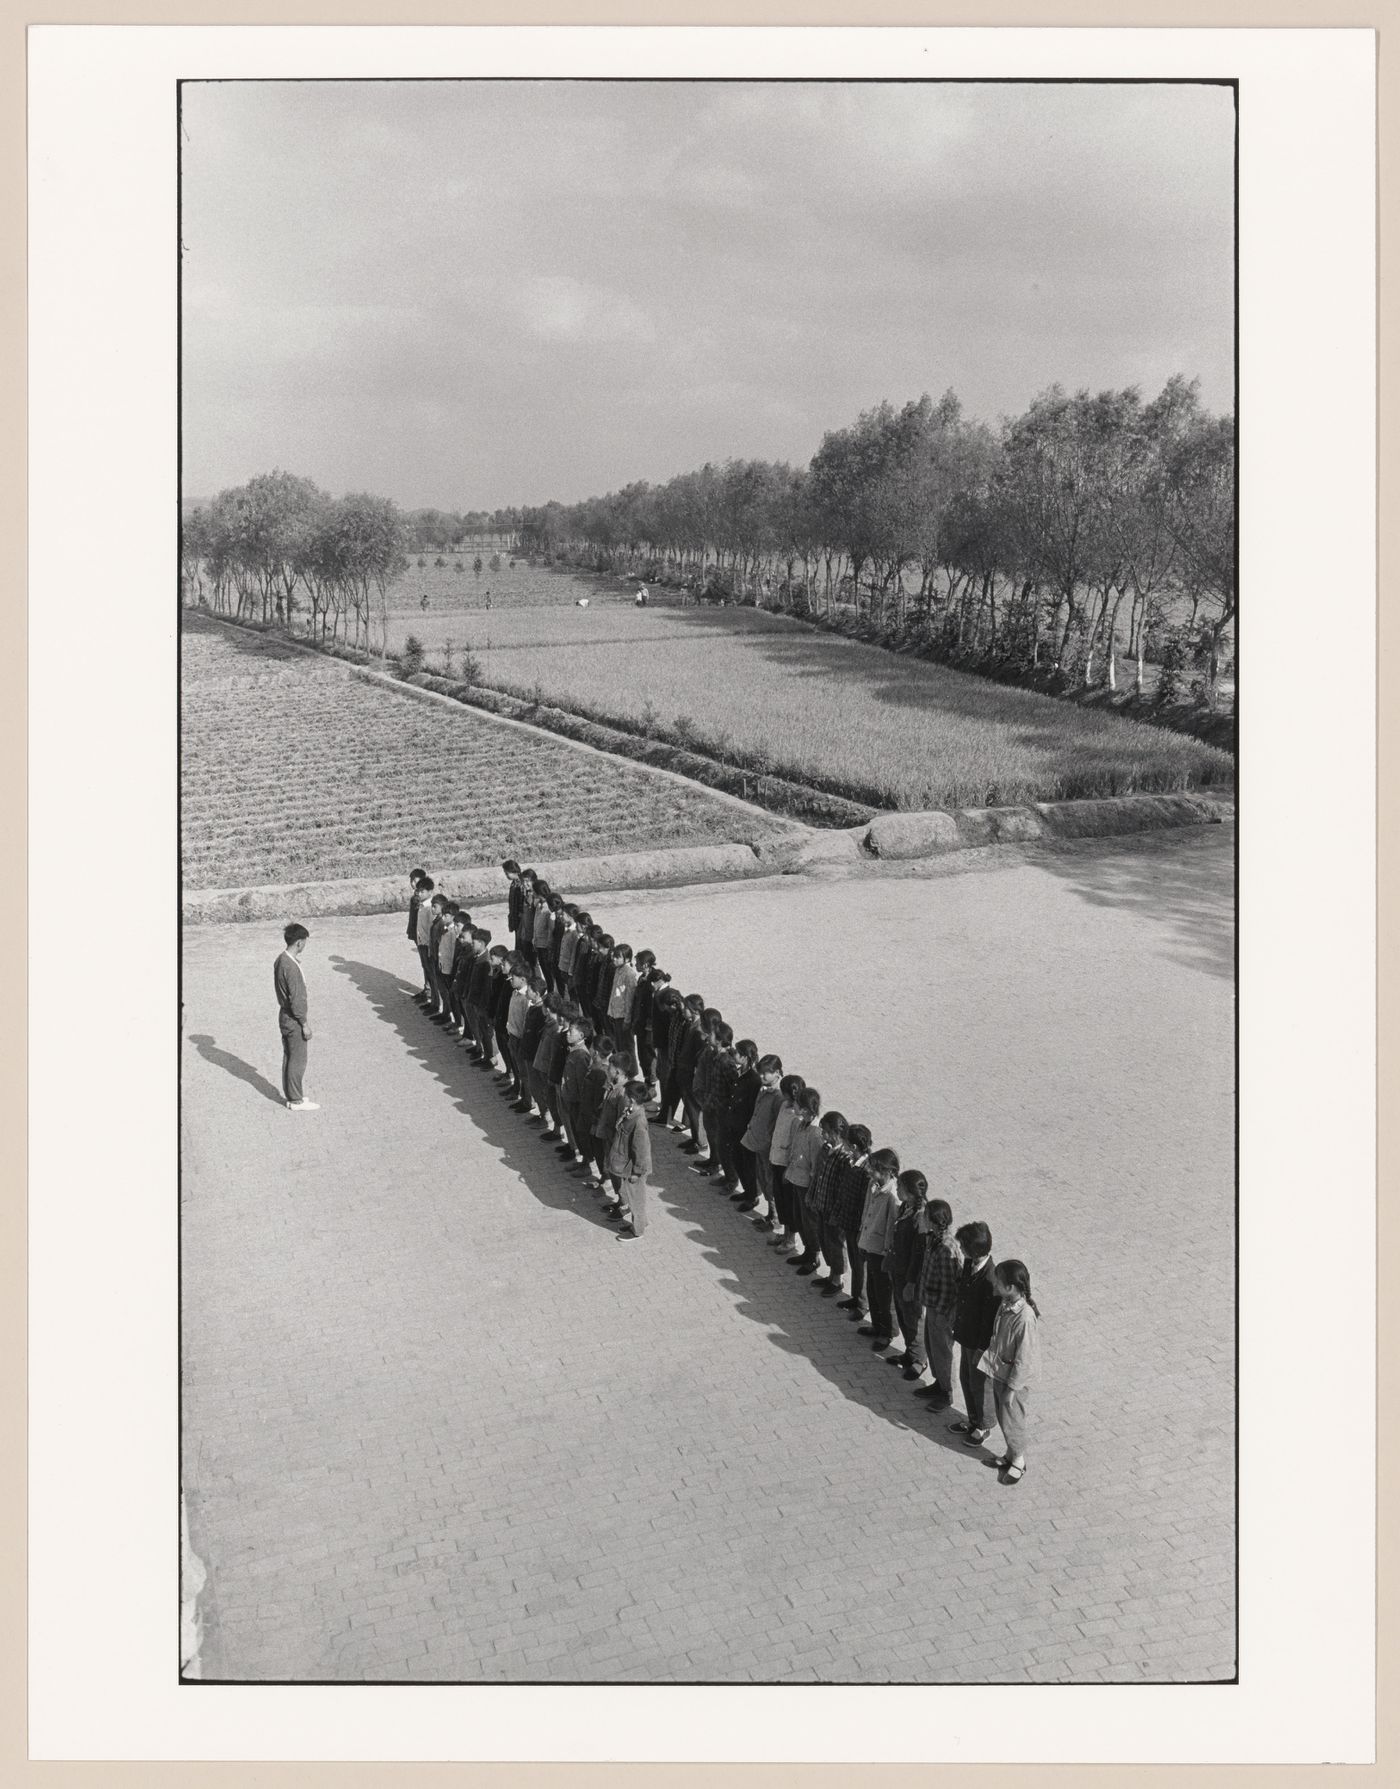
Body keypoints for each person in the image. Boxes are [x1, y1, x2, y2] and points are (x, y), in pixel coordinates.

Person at [978, 1260, 1041, 1484]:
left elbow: (1024, 1359)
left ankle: (1019, 1461)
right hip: (1000, 1371)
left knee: (1013, 1419)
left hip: (1014, 1379)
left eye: (999, 1283)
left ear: (1011, 1287)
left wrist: (1012, 1389)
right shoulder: (1006, 1304)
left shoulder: (1024, 1318)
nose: (994, 1287)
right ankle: (1010, 1453)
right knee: (1004, 1417)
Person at [948, 1222, 999, 1447]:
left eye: (963, 1247)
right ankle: (972, 1419)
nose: (960, 1250)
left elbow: (988, 1320)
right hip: (966, 1334)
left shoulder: (991, 1280)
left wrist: (981, 1346)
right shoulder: (970, 1263)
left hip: (980, 1343)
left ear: (975, 1250)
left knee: (980, 1384)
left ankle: (984, 1424)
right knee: (966, 1378)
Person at [912, 1198, 962, 1411]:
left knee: (943, 1351)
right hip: (931, 1303)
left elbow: (950, 1286)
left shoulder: (946, 1248)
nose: (922, 1219)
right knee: (932, 1347)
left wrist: (942, 1313)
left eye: (925, 1216)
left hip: (941, 1309)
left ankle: (947, 1392)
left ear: (933, 1221)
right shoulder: (932, 1239)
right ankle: (938, 1383)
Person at [856, 1147, 902, 1354]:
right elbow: (866, 1211)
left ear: (887, 1172)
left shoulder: (893, 1197)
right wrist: (861, 1236)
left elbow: (891, 1228)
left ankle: (887, 1331)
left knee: (884, 1294)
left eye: (874, 1169)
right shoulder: (873, 1186)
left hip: (881, 1252)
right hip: (869, 1244)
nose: (870, 1172)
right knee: (872, 1289)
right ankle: (876, 1324)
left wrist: (886, 1255)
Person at [886, 1169, 929, 1379]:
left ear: (910, 1192)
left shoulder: (920, 1218)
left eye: (900, 1187)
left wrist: (911, 1283)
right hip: (898, 1271)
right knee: (903, 1314)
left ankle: (920, 1359)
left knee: (913, 1317)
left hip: (909, 1277)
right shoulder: (906, 1207)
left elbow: (918, 1255)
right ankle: (909, 1352)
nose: (897, 1190)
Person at [274, 922, 317, 1111]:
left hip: (284, 1015)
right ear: (299, 943)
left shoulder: (280, 960)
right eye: (304, 942)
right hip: (293, 1018)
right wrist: (304, 1024)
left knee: (289, 1056)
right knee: (298, 1059)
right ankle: (296, 1099)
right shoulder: (291, 967)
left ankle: (292, 1095)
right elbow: (297, 1000)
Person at [606, 1080, 654, 1237]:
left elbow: (641, 1150)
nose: (623, 1098)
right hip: (628, 1164)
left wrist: (637, 1172)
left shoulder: (638, 1121)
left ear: (632, 1099)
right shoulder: (631, 1112)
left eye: (626, 1096)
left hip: (634, 1168)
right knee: (636, 1197)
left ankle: (637, 1231)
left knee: (636, 1199)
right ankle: (641, 1222)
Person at [739, 1054, 783, 1224]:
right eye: (761, 1073)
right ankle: (771, 1214)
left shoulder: (778, 1096)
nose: (762, 1076)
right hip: (758, 1144)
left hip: (768, 1148)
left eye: (767, 1073)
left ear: (777, 1072)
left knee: (770, 1184)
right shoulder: (763, 1089)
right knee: (763, 1181)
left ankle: (775, 1218)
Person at [782, 1086, 823, 1263]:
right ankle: (807, 1251)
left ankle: (813, 1255)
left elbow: (815, 1164)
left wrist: (812, 1192)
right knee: (799, 1219)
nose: (794, 1106)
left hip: (806, 1184)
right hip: (795, 1178)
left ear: (805, 1109)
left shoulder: (816, 1133)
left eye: (797, 1104)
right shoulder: (799, 1124)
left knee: (809, 1222)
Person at [765, 1073, 806, 1248]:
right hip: (776, 1159)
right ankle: (784, 1234)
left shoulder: (798, 1117)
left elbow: (796, 1145)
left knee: (789, 1204)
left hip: (786, 1166)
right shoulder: (783, 1106)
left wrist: (789, 1169)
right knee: (781, 1201)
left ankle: (790, 1239)